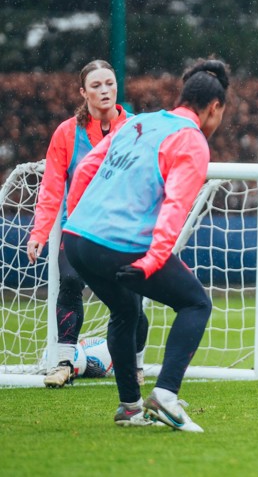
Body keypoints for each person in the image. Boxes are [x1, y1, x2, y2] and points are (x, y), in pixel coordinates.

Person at [62, 59, 231, 430]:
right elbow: (175, 206)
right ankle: (166, 395)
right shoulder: (192, 140)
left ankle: (130, 408)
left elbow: (88, 166)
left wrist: (77, 220)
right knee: (196, 303)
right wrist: (153, 260)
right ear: (214, 107)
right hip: (119, 244)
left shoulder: (140, 121)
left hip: (76, 238)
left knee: (125, 311)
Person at [25, 60, 150, 388]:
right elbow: (52, 187)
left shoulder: (137, 129)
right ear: (83, 92)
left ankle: (136, 364)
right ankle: (64, 360)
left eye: (109, 83)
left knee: (132, 294)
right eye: (96, 86)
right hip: (78, 230)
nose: (105, 90)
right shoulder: (67, 132)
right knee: (69, 281)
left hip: (123, 232)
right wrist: (39, 233)